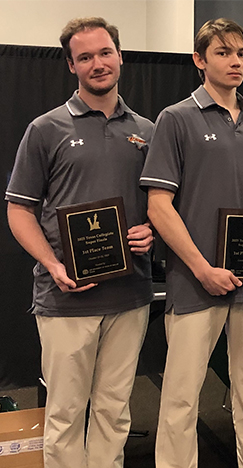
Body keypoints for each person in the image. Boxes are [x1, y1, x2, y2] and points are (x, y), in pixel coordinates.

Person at [5, 17, 154, 468]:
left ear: (120, 55)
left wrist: (152, 230)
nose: (98, 63)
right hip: (65, 299)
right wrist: (52, 265)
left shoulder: (148, 131)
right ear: (71, 65)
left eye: (104, 52)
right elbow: (18, 210)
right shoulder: (46, 129)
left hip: (130, 294)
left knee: (114, 411)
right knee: (66, 415)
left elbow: (162, 207)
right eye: (85, 57)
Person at [139, 18, 243, 468]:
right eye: (223, 53)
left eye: (241, 53)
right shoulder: (176, 118)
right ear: (200, 60)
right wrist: (202, 269)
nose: (235, 61)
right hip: (195, 281)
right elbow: (159, 207)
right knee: (182, 396)